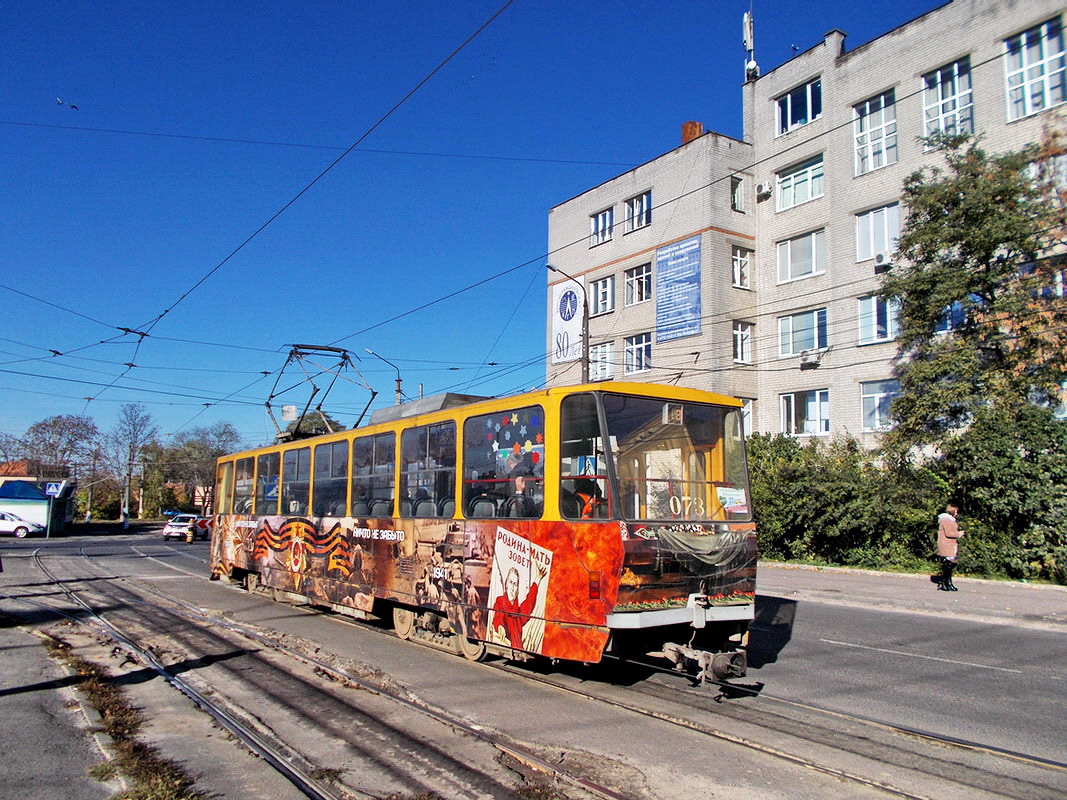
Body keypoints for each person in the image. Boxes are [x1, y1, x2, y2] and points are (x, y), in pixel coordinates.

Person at [490, 562, 547, 648]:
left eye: (515, 584)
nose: (512, 587)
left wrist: (537, 579)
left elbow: (529, 602)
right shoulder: (500, 601)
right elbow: (499, 615)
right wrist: (500, 626)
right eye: (510, 582)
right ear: (506, 584)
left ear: (517, 589)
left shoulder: (518, 614)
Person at [936, 503, 965, 591]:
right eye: (956, 512)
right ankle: (946, 583)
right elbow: (948, 533)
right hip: (946, 544)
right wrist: (958, 534)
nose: (957, 513)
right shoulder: (946, 520)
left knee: (950, 564)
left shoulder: (950, 520)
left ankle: (947, 582)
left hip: (950, 544)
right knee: (949, 564)